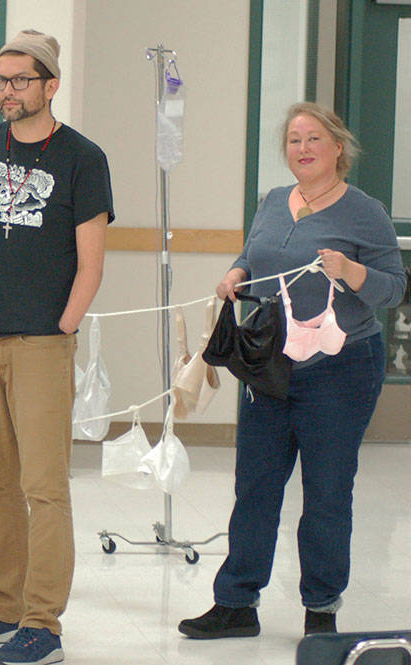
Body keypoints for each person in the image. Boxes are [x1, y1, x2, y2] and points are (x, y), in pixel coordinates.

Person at [178, 103, 406, 640]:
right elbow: (254, 255)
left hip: (342, 366)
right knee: (255, 484)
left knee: (326, 490)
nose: (302, 148)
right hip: (270, 362)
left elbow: (395, 287)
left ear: (337, 149)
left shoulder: (365, 212)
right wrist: (237, 272)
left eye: (313, 139)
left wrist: (351, 272)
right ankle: (236, 602)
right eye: (293, 140)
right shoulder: (274, 202)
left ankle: (321, 611)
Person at [0, 30, 113, 665]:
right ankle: (2, 607)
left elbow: (91, 262)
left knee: (44, 489)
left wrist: (60, 328)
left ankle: (44, 625)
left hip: (41, 345)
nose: (7, 90)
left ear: (50, 85)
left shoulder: (80, 158)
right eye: (0, 80)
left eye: (19, 80)